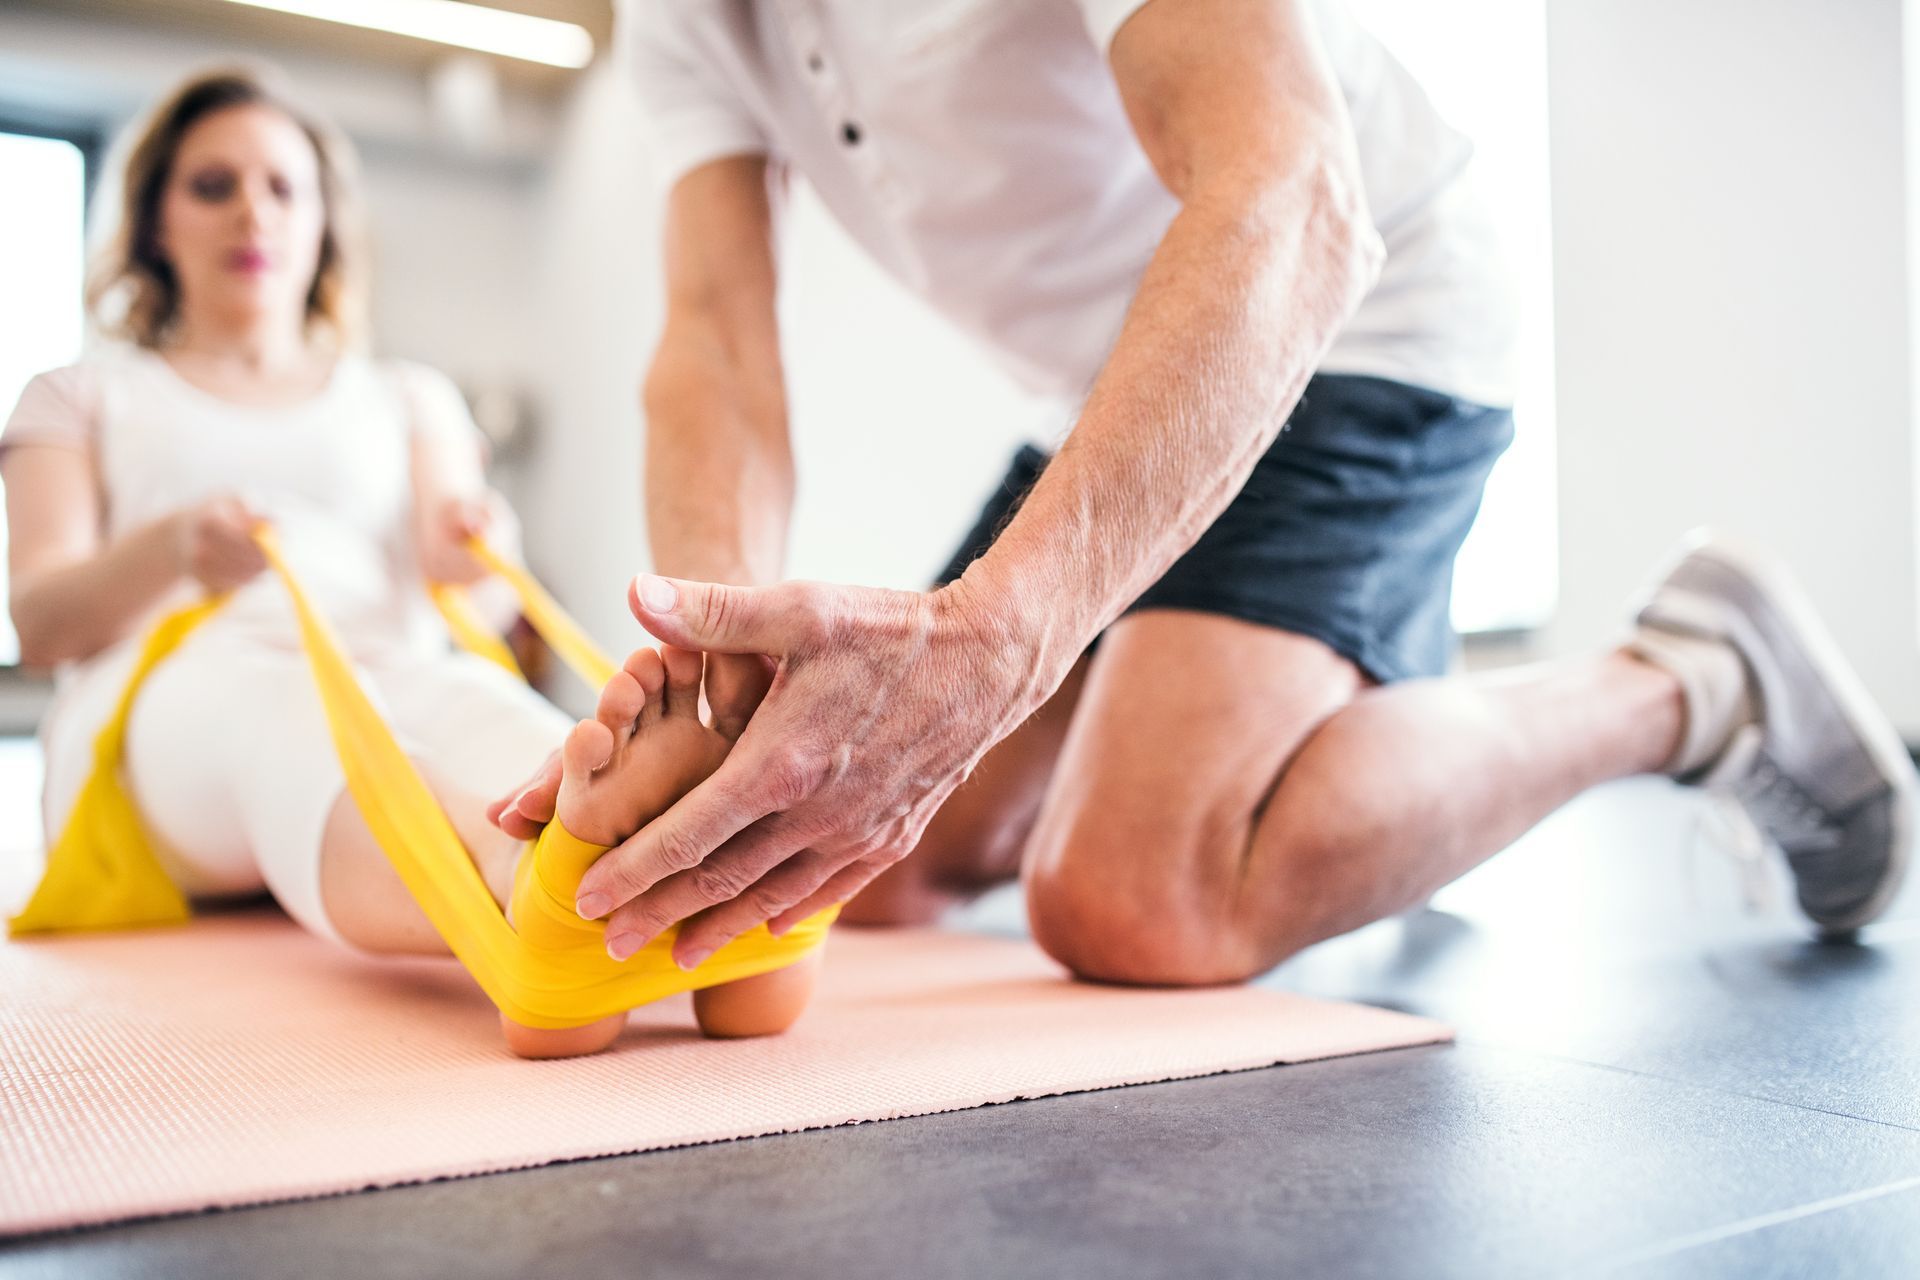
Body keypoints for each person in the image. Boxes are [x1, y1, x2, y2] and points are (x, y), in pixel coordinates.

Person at [492, 0, 1914, 980]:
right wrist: (713, 687)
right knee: (872, 866)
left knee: (1139, 899)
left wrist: (1003, 635)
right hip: (1114, 386)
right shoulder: (684, 15)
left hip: (1358, 316)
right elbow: (718, 345)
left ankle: (1692, 679)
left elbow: (1290, 196)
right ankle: (1342, 746)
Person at [2, 68, 814, 1057]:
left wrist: (481, 539)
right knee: (298, 724)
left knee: (496, 713)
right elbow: (40, 620)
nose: (251, 210)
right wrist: (171, 548)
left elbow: (457, 564)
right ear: (154, 222)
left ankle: (687, 884)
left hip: (392, 657)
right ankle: (532, 894)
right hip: (173, 689)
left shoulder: (405, 395)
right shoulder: (79, 394)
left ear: (322, 228)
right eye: (212, 185)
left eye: (283, 188)